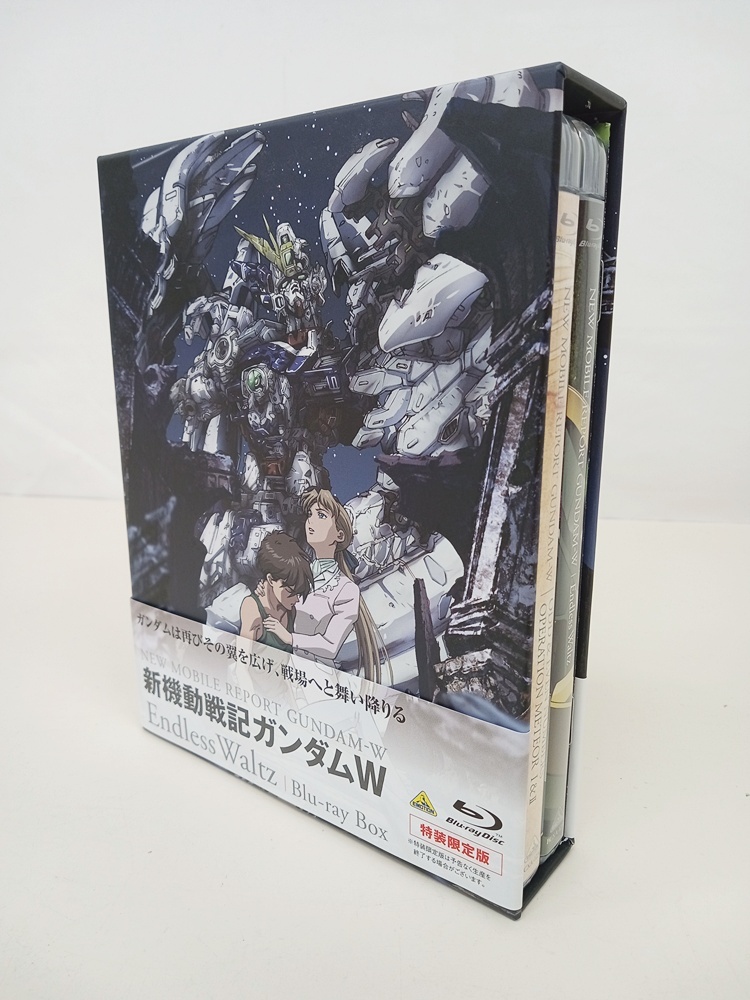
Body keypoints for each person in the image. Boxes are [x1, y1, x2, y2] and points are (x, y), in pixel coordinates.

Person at [264, 488, 388, 683]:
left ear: (339, 534)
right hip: (285, 676)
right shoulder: (297, 572)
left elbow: (330, 645)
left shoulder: (346, 590)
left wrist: (290, 638)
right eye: (310, 514)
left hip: (319, 682)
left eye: (321, 515)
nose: (311, 521)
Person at [239, 531, 313, 653]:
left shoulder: (290, 609)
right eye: (290, 592)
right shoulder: (252, 608)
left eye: (298, 593)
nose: (296, 599)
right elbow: (242, 659)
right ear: (270, 579)